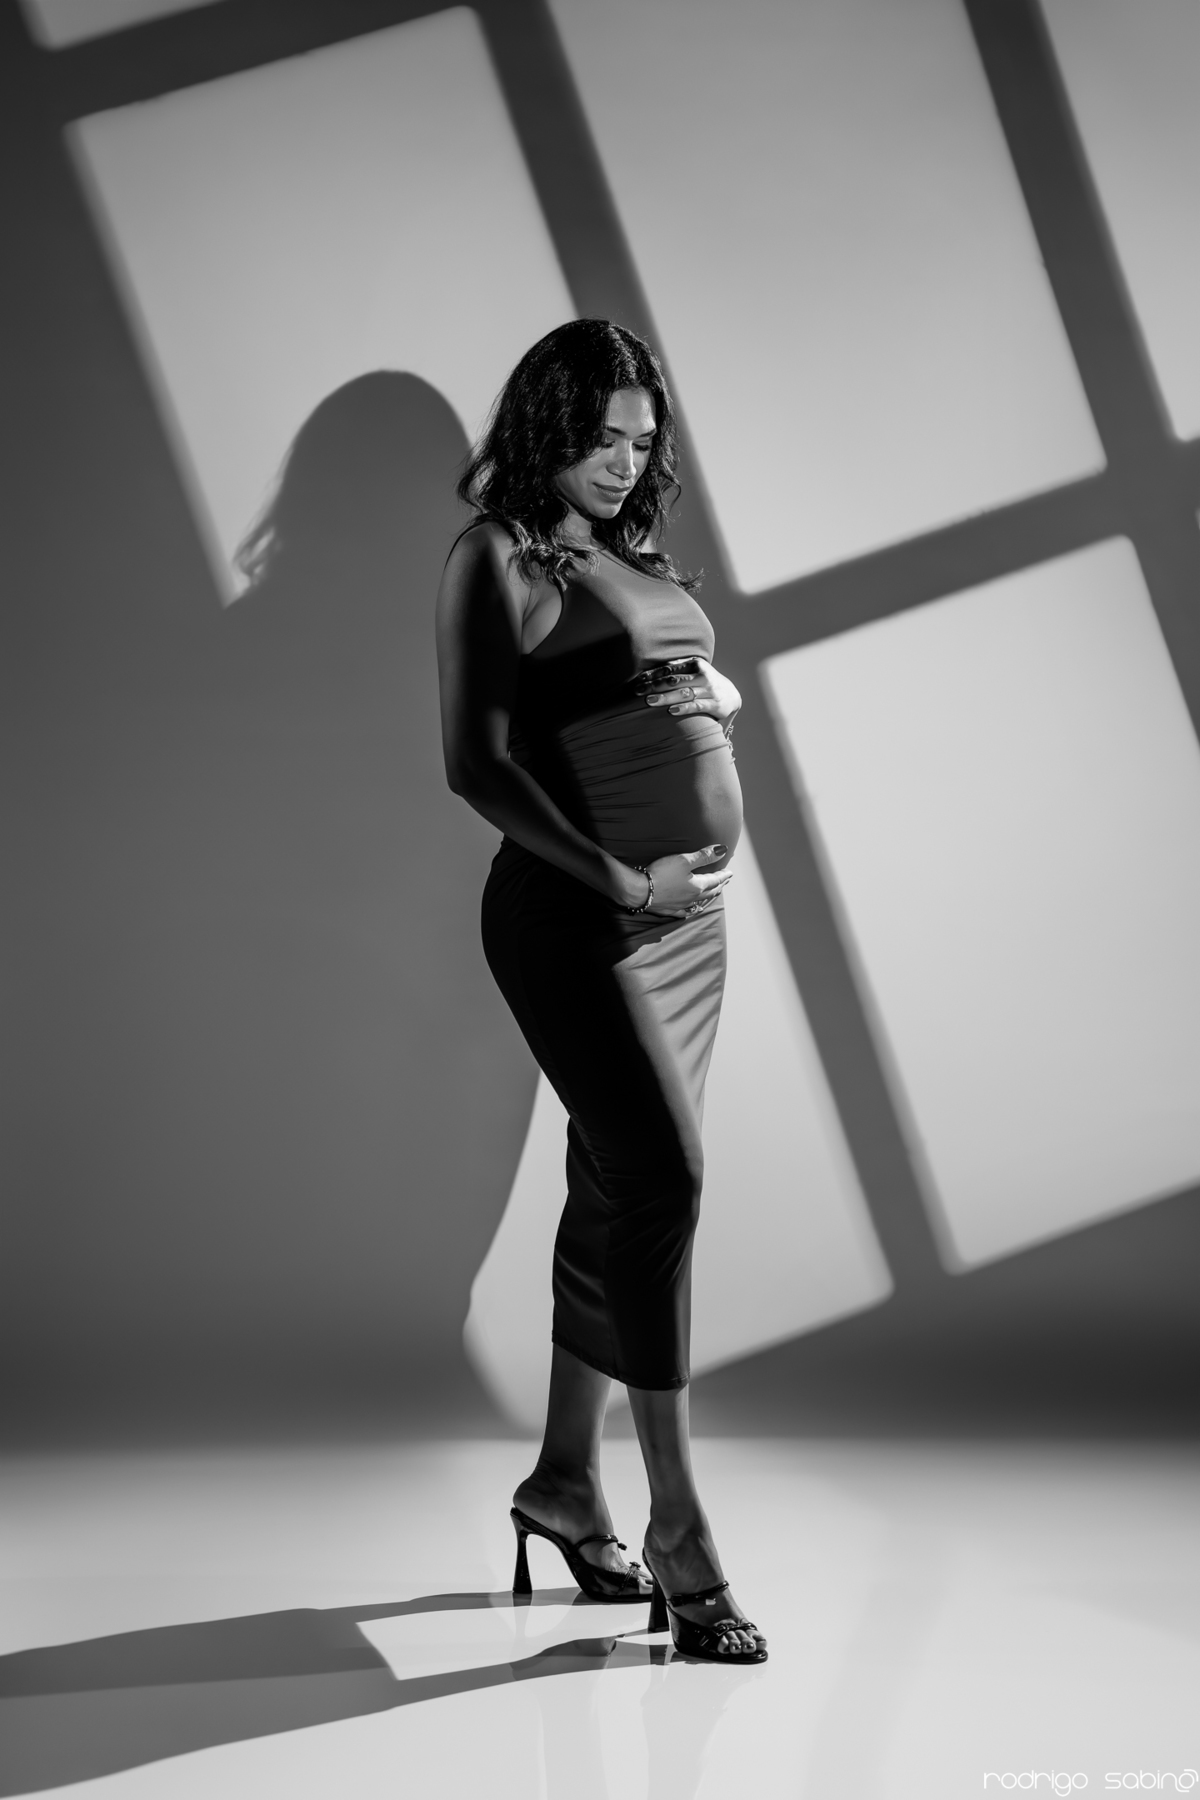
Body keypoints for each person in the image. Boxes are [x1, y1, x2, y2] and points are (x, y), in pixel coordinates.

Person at [436, 319, 766, 1663]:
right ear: (547, 425)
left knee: (615, 1184)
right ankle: (680, 1527)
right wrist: (628, 877)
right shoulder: (497, 556)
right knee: (664, 1181)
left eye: (643, 440)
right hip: (579, 918)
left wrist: (694, 703)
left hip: (689, 931)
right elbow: (478, 763)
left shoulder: (630, 554)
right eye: (602, 437)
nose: (626, 462)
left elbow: (639, 685)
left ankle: (566, 1482)